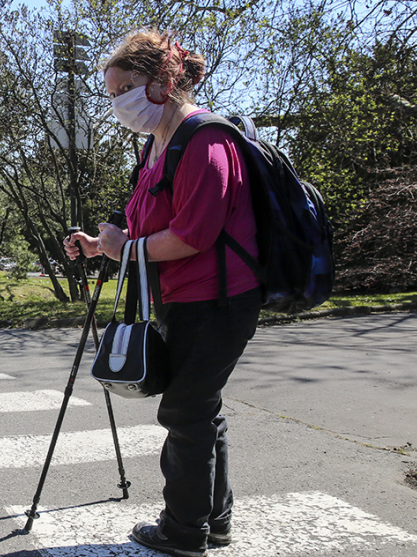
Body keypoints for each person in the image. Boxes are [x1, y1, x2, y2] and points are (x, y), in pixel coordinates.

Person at [64, 29, 260, 557]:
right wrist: (101, 243)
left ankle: (183, 531)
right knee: (200, 409)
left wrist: (127, 247)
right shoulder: (159, 144)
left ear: (163, 82)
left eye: (123, 89)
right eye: (110, 93)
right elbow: (142, 223)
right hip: (183, 295)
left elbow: (192, 234)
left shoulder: (205, 141)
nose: (117, 103)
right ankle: (212, 523)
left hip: (218, 299)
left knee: (185, 411)